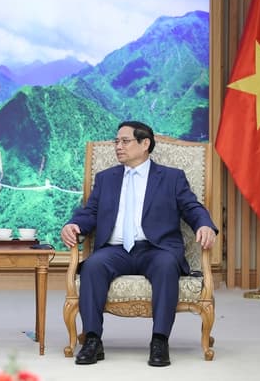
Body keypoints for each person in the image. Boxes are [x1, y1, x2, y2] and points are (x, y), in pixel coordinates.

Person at [61, 121, 217, 367]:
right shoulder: (106, 178)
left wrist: (204, 225)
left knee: (166, 266)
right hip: (115, 250)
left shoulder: (171, 177)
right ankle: (92, 340)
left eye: (125, 141)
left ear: (145, 144)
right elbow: (90, 212)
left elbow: (192, 207)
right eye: (116, 141)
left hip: (156, 249)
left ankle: (160, 340)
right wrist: (73, 224)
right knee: (92, 266)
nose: (118, 146)